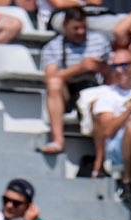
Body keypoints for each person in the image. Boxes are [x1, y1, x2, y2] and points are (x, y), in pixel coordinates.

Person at [35, 6, 107, 157]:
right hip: (69, 93)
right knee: (54, 84)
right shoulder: (53, 47)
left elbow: (113, 72)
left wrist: (101, 67)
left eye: (83, 28)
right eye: (76, 28)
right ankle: (58, 140)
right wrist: (80, 68)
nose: (81, 32)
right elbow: (50, 77)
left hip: (96, 89)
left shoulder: (99, 41)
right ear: (65, 26)